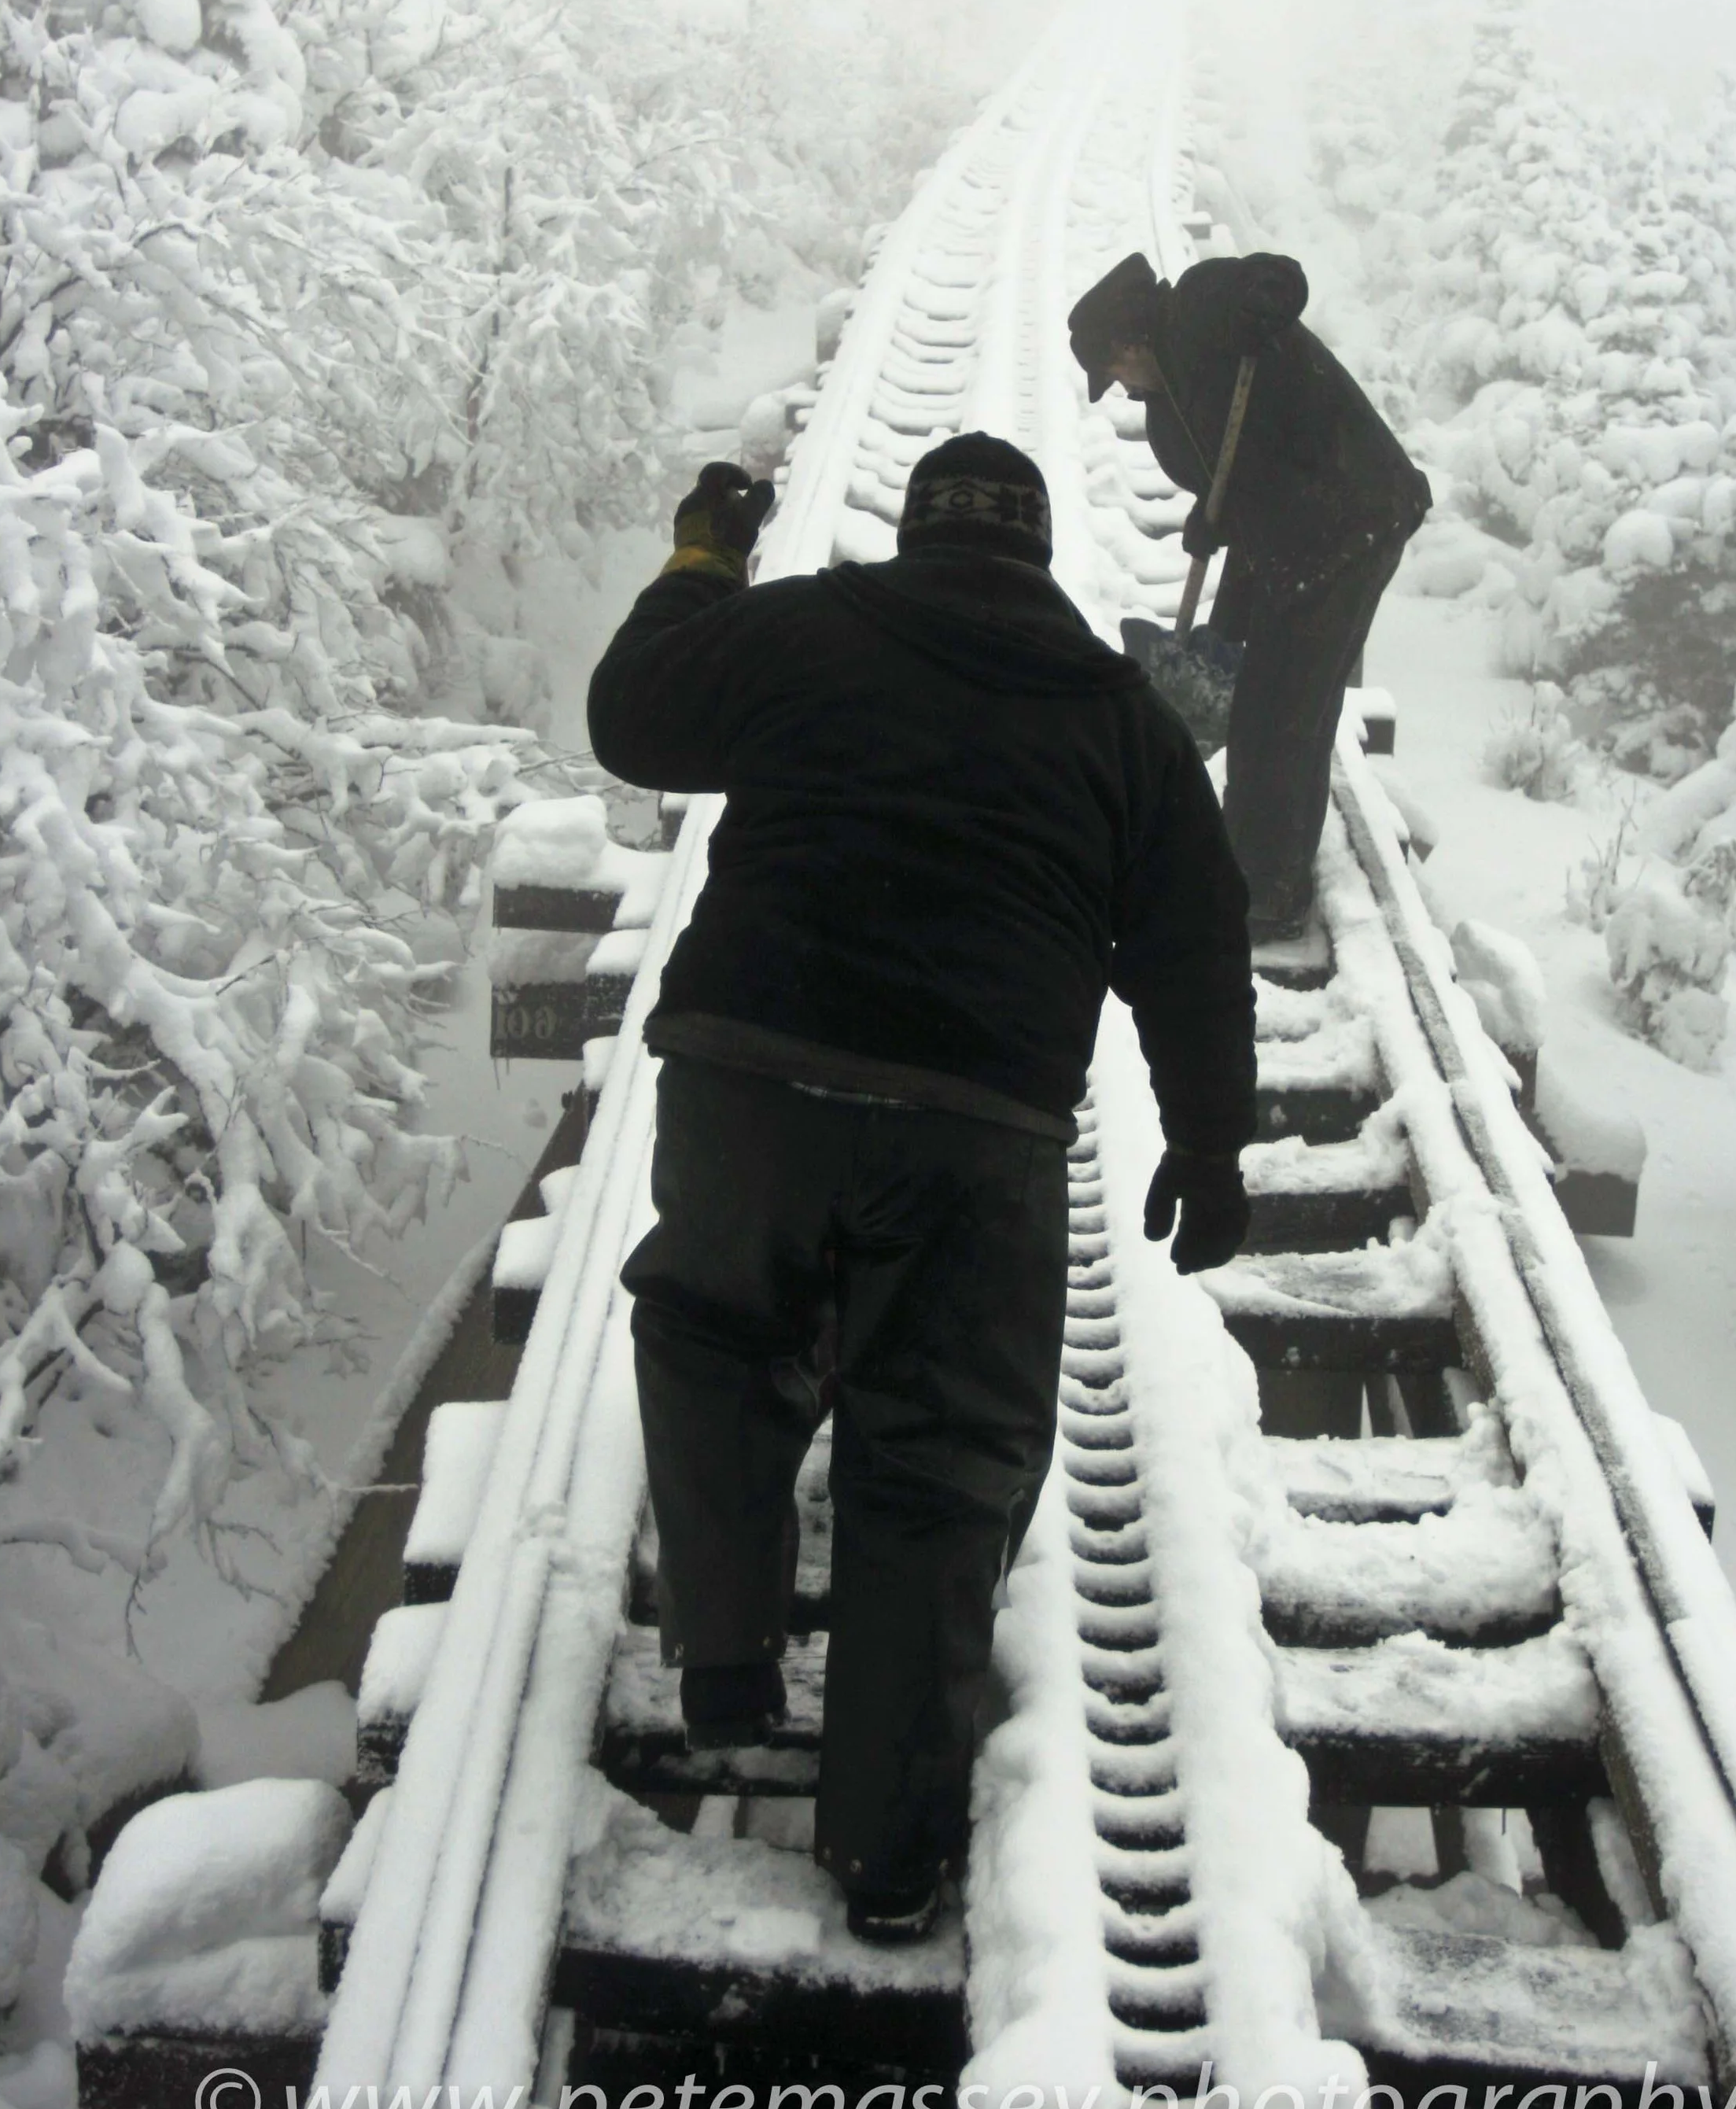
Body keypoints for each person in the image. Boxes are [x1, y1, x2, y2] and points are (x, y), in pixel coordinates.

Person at [586, 433, 1255, 1942]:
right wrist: (1211, 1146)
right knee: (937, 1462)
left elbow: (633, 717)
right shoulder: (1118, 716)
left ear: (916, 534)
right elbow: (1197, 948)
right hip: (977, 1127)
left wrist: (704, 557)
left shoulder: (809, 628)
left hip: (749, 1075)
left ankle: (730, 1659)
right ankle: (887, 1862)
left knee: (717, 1344)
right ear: (1034, 555)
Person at [1067, 250, 1432, 938]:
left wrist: (1265, 301)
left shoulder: (1203, 307)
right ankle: (1270, 868)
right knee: (1285, 697)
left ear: (1129, 341)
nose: (1119, 386)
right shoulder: (1171, 400)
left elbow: (1279, 275)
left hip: (1352, 516)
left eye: (1112, 371)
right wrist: (1212, 517)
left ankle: (1267, 892)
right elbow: (1246, 464)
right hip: (1308, 532)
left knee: (1278, 709)